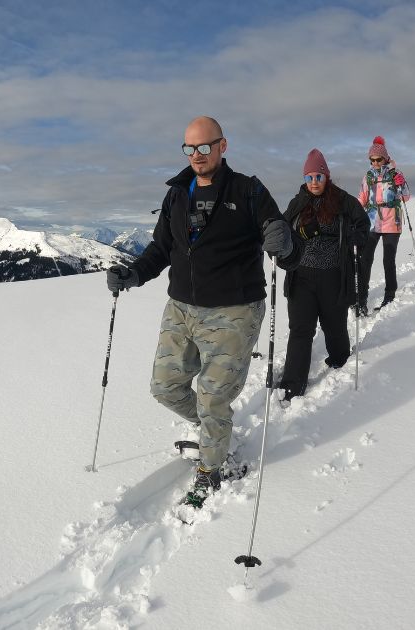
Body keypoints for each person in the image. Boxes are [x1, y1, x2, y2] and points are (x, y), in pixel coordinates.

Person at [105, 116, 301, 506]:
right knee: (164, 387)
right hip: (181, 308)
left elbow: (282, 245)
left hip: (235, 311)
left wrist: (286, 243)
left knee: (213, 398)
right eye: (189, 149)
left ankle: (213, 469)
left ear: (222, 146)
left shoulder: (248, 190)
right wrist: (132, 274)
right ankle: (215, 430)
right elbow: (162, 248)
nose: (196, 155)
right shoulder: (177, 193)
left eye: (204, 147)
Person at [278, 149, 370, 402]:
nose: (314, 182)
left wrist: (351, 237)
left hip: (333, 275)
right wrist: (279, 244)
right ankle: (292, 383)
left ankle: (340, 360)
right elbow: (283, 233)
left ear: (326, 176)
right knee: (300, 329)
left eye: (319, 176)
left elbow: (363, 224)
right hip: (302, 276)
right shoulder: (297, 204)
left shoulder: (343, 200)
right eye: (310, 177)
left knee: (334, 324)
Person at [356, 135, 411, 315]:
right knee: (365, 259)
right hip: (372, 221)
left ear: (385, 158)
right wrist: (353, 212)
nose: (375, 163)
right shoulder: (368, 177)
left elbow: (406, 196)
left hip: (391, 221)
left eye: (378, 159)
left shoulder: (395, 174)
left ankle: (390, 293)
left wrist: (401, 184)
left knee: (388, 259)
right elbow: (362, 198)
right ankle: (361, 297)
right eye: (372, 160)